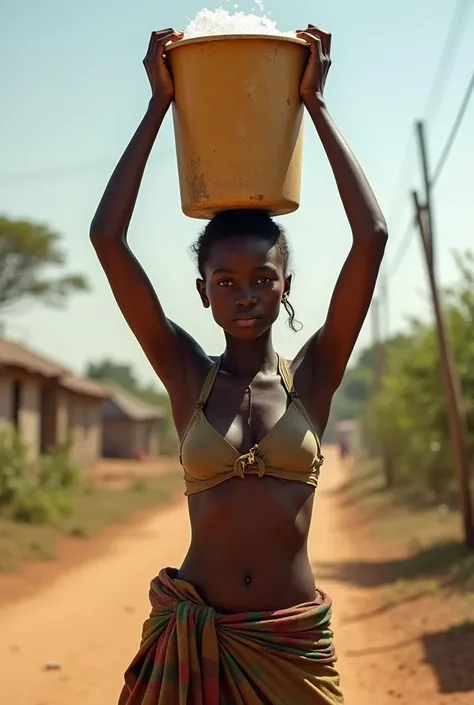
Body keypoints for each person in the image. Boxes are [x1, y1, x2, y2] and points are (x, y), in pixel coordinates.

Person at [91, 23, 387, 705]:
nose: (246, 294)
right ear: (203, 292)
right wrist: (158, 105)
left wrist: (316, 105)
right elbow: (107, 238)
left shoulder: (314, 377)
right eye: (226, 281)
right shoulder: (183, 376)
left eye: (262, 278)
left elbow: (370, 237)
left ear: (286, 284)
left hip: (290, 648)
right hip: (201, 640)